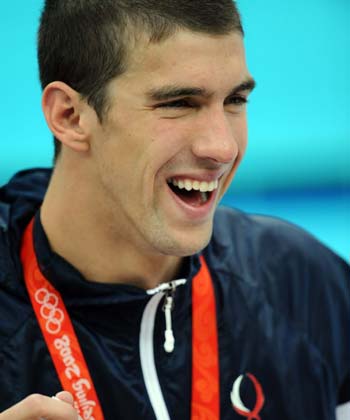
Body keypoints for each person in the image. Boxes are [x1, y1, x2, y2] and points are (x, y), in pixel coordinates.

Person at [0, 0, 349, 419]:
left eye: (235, 100)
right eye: (179, 102)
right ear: (71, 116)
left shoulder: (302, 281)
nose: (223, 147)